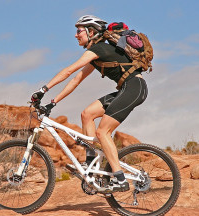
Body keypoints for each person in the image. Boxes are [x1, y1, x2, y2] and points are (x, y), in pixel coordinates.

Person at [31, 15, 148, 193]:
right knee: (87, 114)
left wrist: (43, 89)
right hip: (128, 88)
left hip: (134, 87)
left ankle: (119, 178)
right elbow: (76, 80)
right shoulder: (96, 54)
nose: (76, 35)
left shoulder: (98, 49)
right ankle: (92, 167)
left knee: (103, 132)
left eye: (79, 31)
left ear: (91, 32)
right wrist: (53, 102)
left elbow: (69, 71)